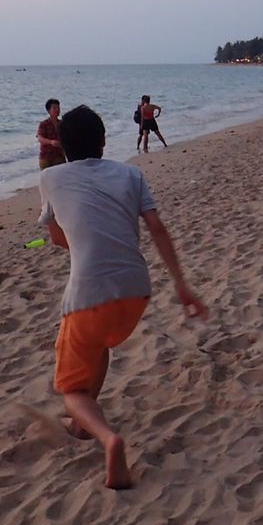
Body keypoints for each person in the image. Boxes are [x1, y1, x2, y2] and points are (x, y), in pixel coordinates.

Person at [39, 105, 208, 489]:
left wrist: (82, 242)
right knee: (100, 348)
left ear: (63, 147)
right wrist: (182, 286)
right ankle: (83, 427)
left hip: (88, 295)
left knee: (71, 390)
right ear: (103, 141)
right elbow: (157, 228)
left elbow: (56, 238)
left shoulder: (51, 178)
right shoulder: (131, 173)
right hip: (135, 292)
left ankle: (106, 437)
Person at [37, 98, 65, 170]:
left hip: (59, 156)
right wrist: (51, 142)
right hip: (46, 157)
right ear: (49, 111)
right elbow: (40, 139)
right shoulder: (44, 124)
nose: (57, 110)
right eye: (54, 108)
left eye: (58, 107)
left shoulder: (62, 124)